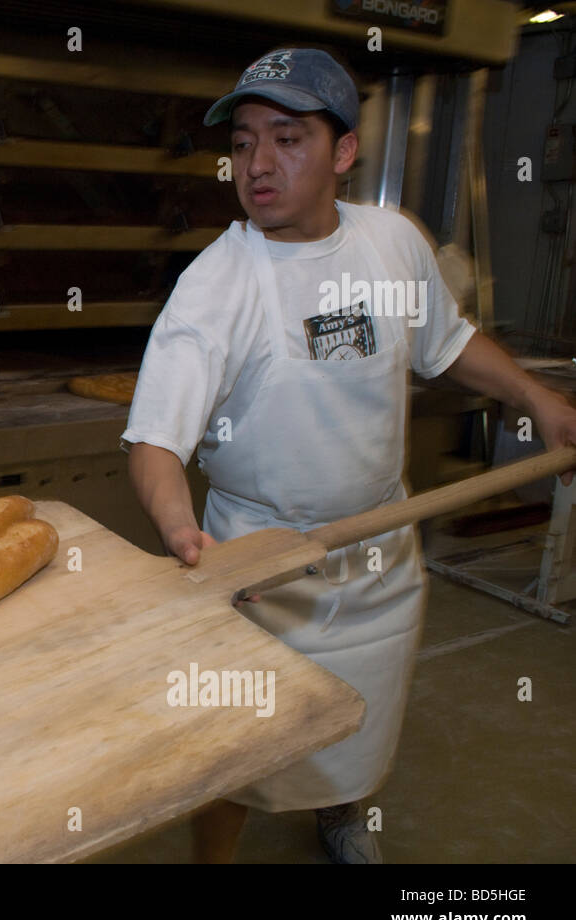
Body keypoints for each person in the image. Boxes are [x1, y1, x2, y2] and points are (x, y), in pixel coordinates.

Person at [122, 47, 576, 863]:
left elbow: (448, 343)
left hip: (379, 555)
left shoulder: (392, 243)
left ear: (343, 153)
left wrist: (538, 398)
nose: (257, 165)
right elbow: (156, 439)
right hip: (263, 568)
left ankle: (342, 812)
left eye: (287, 138)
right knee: (235, 747)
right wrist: (183, 531)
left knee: (362, 716)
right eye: (243, 142)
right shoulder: (217, 285)